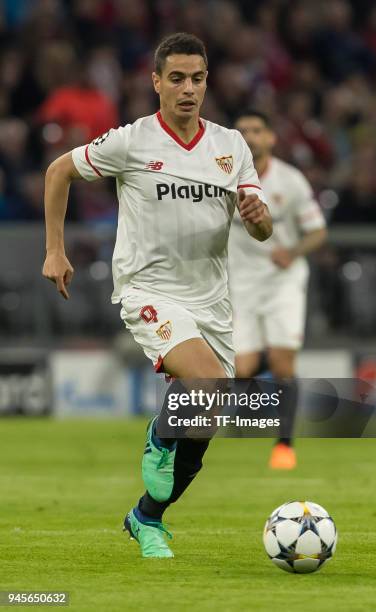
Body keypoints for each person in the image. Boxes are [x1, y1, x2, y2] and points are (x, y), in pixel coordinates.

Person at [42, 34, 272, 559]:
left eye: (197, 78)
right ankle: (157, 436)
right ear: (156, 83)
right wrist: (55, 250)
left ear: (207, 82)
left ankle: (146, 517)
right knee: (205, 383)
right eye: (176, 78)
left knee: (206, 421)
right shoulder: (133, 141)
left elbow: (261, 227)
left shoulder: (231, 146)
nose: (188, 89)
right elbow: (58, 172)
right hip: (150, 290)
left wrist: (261, 220)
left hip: (212, 303)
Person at [228, 110, 327, 470]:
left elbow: (317, 231)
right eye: (242, 131)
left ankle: (284, 445)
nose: (250, 136)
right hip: (240, 281)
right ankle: (253, 416)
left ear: (270, 137)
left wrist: (294, 251)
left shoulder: (291, 180)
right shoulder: (221, 179)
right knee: (243, 368)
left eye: (256, 130)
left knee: (284, 363)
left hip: (283, 280)